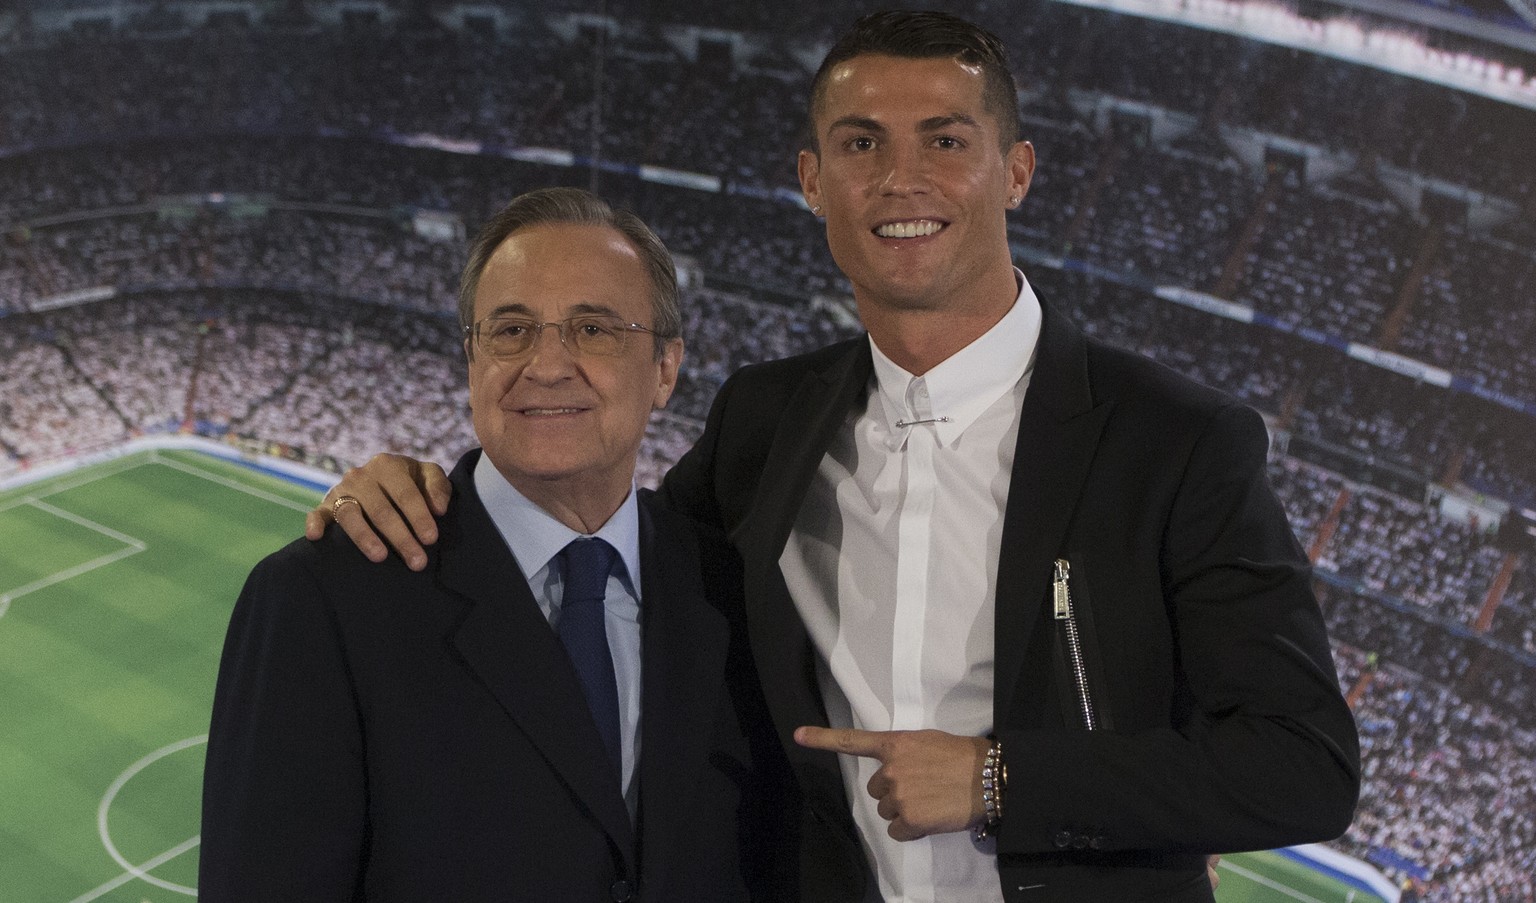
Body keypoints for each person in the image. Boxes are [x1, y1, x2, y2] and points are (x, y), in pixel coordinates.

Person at [308, 12, 1360, 902]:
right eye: (860, 144)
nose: (900, 178)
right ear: (812, 180)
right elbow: (618, 560)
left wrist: (1002, 780)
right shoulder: (766, 418)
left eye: (945, 140)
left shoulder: (1174, 441)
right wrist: (435, 491)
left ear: (1018, 172)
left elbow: (1305, 766)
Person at [201, 187, 785, 901]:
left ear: (666, 367)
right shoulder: (323, 599)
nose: (545, 364)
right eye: (510, 330)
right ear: (472, 359)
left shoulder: (727, 585)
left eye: (594, 329)